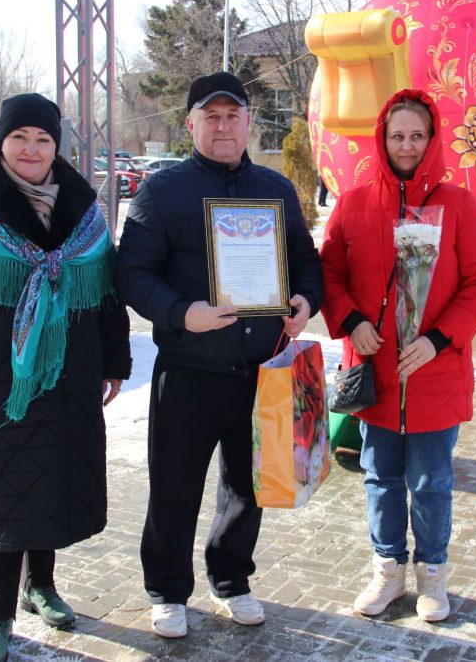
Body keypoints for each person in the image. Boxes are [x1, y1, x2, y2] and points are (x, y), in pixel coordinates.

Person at [0, 93, 132, 662]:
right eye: (19, 138)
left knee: (50, 487)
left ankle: (42, 587)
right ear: (1, 144)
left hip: (68, 380)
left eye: (43, 139)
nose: (31, 150)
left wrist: (115, 362)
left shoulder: (85, 215)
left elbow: (108, 296)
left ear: (56, 147)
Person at [115, 71, 324, 638]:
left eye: (234, 116)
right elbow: (132, 273)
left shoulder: (276, 190)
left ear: (249, 123)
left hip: (260, 373)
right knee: (174, 487)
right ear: (191, 125)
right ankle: (167, 590)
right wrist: (182, 313)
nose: (224, 126)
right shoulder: (162, 192)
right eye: (212, 117)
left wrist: (306, 300)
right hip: (189, 371)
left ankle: (231, 577)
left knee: (248, 486)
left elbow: (306, 261)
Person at [319, 89, 476, 620]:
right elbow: (329, 274)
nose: (406, 145)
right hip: (375, 374)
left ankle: (433, 576)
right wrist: (352, 321)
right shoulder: (353, 204)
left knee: (431, 482)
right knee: (379, 478)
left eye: (417, 135)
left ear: (432, 139)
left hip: (434, 373)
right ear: (382, 139)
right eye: (397, 135)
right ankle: (387, 570)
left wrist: (437, 339)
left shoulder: (458, 205)